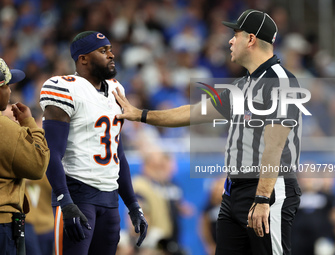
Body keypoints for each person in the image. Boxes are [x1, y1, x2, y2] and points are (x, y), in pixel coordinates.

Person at [113, 9, 302, 255]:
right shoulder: (244, 85)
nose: (230, 40)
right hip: (234, 191)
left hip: (267, 190)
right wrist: (141, 114)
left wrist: (263, 199)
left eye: (236, 34)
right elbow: (193, 113)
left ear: (252, 39)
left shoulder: (279, 81)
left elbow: (274, 146)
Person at [39, 31, 148, 255]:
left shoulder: (117, 90)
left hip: (109, 200)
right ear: (83, 58)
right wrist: (64, 200)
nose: (111, 55)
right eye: (103, 50)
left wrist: (133, 205)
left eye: (110, 49)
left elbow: (118, 152)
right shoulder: (63, 87)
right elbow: (52, 152)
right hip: (77, 195)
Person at [0, 58, 50, 255]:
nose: (10, 91)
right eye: (7, 85)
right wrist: (30, 124)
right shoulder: (5, 128)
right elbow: (38, 165)